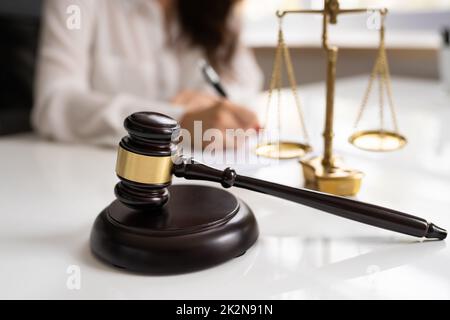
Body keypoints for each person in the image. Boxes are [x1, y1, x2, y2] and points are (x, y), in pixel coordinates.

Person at [32, 0, 263, 146]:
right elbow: (54, 101)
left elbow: (248, 79)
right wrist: (178, 122)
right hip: (95, 175)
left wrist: (206, 101)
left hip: (197, 171)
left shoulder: (217, 9)